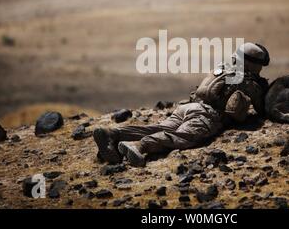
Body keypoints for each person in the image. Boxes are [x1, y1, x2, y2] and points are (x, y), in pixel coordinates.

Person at [93, 42, 270, 167]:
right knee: (183, 137)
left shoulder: (223, 67)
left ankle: (113, 133)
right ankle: (139, 146)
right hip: (207, 116)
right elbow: (263, 109)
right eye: (260, 64)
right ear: (253, 64)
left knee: (159, 127)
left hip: (188, 107)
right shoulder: (249, 83)